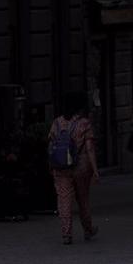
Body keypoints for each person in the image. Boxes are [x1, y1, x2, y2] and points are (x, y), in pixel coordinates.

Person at [48, 92, 99, 245]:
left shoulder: (57, 123)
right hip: (81, 167)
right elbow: (89, 148)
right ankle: (88, 229)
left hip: (61, 167)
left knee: (64, 200)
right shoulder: (84, 123)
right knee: (83, 199)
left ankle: (66, 234)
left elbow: (51, 145)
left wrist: (51, 164)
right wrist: (95, 170)